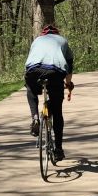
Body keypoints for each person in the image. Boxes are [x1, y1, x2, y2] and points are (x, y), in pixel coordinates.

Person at [25, 24, 74, 161]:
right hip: (55, 72)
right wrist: (68, 84)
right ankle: (58, 149)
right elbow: (69, 67)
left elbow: (31, 60)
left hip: (33, 70)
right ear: (57, 34)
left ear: (43, 34)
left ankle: (35, 118)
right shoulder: (63, 41)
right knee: (57, 110)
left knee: (30, 89)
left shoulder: (36, 41)